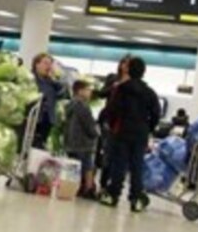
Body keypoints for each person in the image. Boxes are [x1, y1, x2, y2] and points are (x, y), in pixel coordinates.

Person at [99, 57, 162, 212]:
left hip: (122, 130)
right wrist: (149, 128)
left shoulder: (120, 89)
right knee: (137, 166)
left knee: (119, 165)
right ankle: (135, 199)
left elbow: (112, 109)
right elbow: (156, 113)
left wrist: (111, 123)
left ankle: (113, 195)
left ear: (128, 70)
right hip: (140, 132)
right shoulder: (149, 92)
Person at [97, 55, 131, 191]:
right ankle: (104, 182)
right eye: (124, 63)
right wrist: (114, 87)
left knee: (119, 153)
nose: (126, 67)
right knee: (107, 150)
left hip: (124, 121)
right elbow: (101, 93)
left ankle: (115, 183)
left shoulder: (135, 83)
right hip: (108, 119)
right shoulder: (113, 78)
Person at [64, 80, 100, 199]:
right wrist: (96, 134)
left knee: (74, 166)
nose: (90, 92)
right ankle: (88, 189)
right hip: (83, 142)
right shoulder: (82, 106)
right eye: (88, 90)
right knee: (87, 166)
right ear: (80, 91)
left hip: (71, 140)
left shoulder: (70, 105)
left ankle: (71, 187)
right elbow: (89, 125)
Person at [31, 53, 65, 150]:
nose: (48, 66)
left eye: (50, 64)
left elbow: (62, 94)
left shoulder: (51, 81)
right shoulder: (31, 78)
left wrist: (55, 79)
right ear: (37, 64)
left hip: (48, 118)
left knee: (41, 145)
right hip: (34, 118)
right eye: (45, 63)